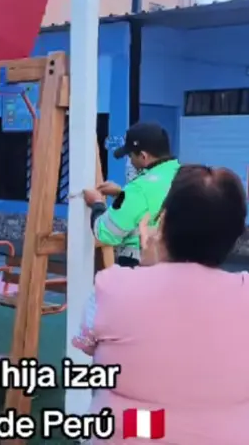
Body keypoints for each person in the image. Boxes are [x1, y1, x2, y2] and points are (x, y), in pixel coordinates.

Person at [73, 165, 249, 444]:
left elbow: (85, 343)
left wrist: (149, 269)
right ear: (235, 235)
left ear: (162, 224)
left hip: (134, 432)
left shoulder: (113, 288)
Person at [82, 122, 180, 267]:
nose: (130, 160)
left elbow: (106, 233)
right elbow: (150, 204)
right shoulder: (183, 175)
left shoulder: (138, 189)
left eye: (130, 155)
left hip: (141, 268)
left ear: (143, 156)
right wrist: (121, 195)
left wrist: (96, 203)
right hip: (177, 265)